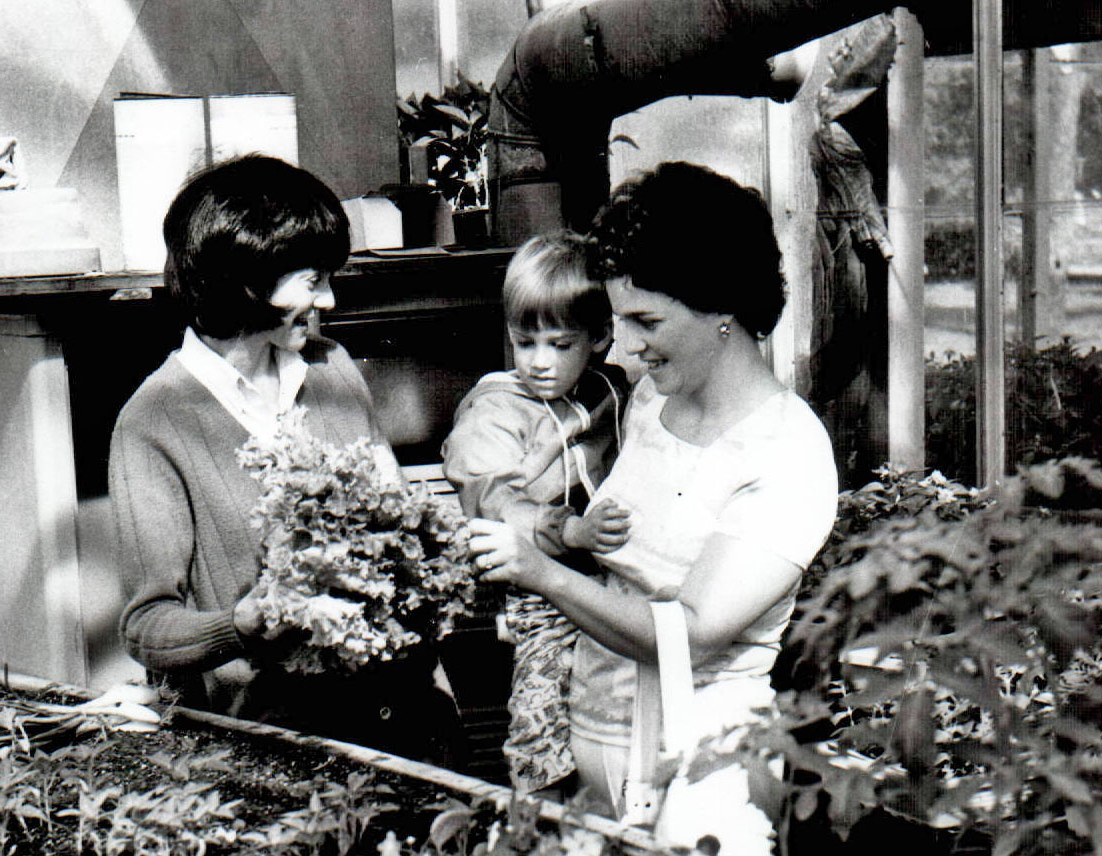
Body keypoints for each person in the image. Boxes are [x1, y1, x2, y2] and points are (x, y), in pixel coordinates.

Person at [467, 162, 838, 851]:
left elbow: (692, 632)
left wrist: (542, 574)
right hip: (595, 736)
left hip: (708, 765)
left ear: (722, 307)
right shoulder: (650, 402)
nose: (628, 347)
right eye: (618, 320)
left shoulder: (787, 452)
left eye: (646, 321)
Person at [110, 153, 461, 764]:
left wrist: (440, 694)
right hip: (273, 746)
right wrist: (242, 624)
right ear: (247, 281)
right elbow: (148, 627)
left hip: (397, 717)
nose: (328, 299)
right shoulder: (154, 422)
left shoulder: (334, 369)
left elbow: (399, 537)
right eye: (311, 280)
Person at [442, 231, 630, 796]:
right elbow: (496, 499)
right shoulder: (498, 409)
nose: (540, 363)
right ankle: (537, 812)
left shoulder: (609, 392)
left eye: (559, 344)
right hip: (539, 587)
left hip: (609, 579)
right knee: (543, 704)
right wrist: (572, 529)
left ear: (599, 338)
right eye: (526, 343)